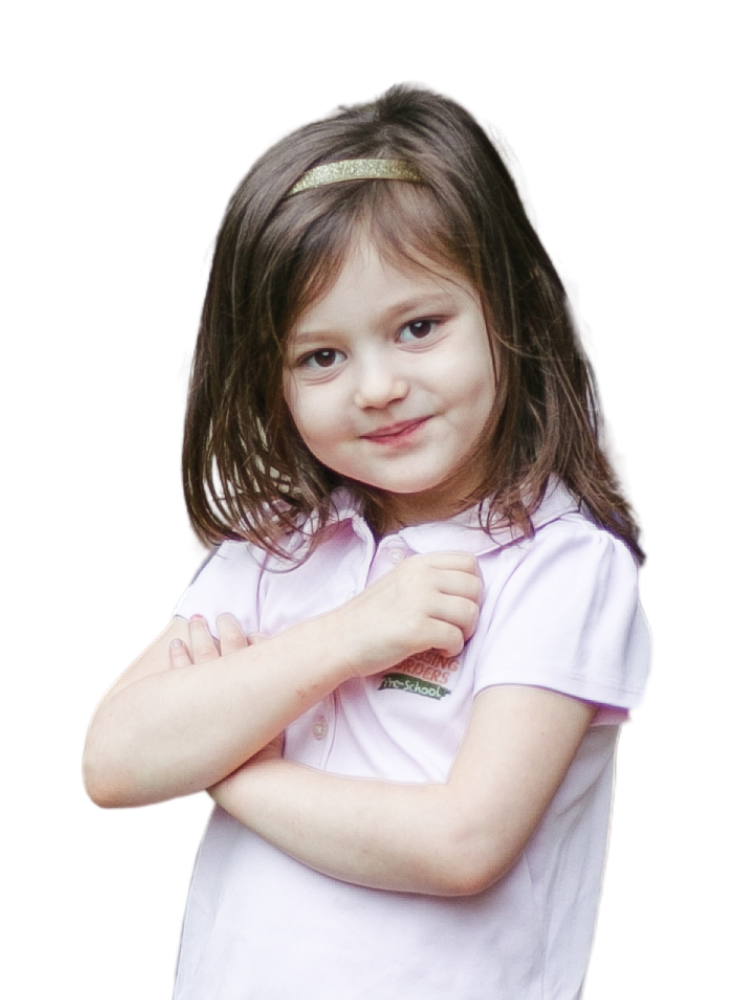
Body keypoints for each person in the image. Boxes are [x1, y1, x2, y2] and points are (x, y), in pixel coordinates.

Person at [81, 80, 653, 999]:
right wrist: (351, 634)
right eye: (322, 356)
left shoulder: (562, 565)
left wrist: (231, 776)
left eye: (419, 328)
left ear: (508, 312)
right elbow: (113, 762)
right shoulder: (280, 551)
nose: (376, 385)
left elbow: (463, 843)